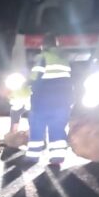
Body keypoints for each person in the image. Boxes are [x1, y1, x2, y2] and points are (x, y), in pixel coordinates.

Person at [25, 32, 73, 166]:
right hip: (63, 101)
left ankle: (33, 157)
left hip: (43, 101)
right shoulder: (64, 59)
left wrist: (26, 86)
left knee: (37, 127)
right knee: (57, 128)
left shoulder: (43, 57)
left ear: (43, 45)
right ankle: (57, 158)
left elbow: (35, 78)